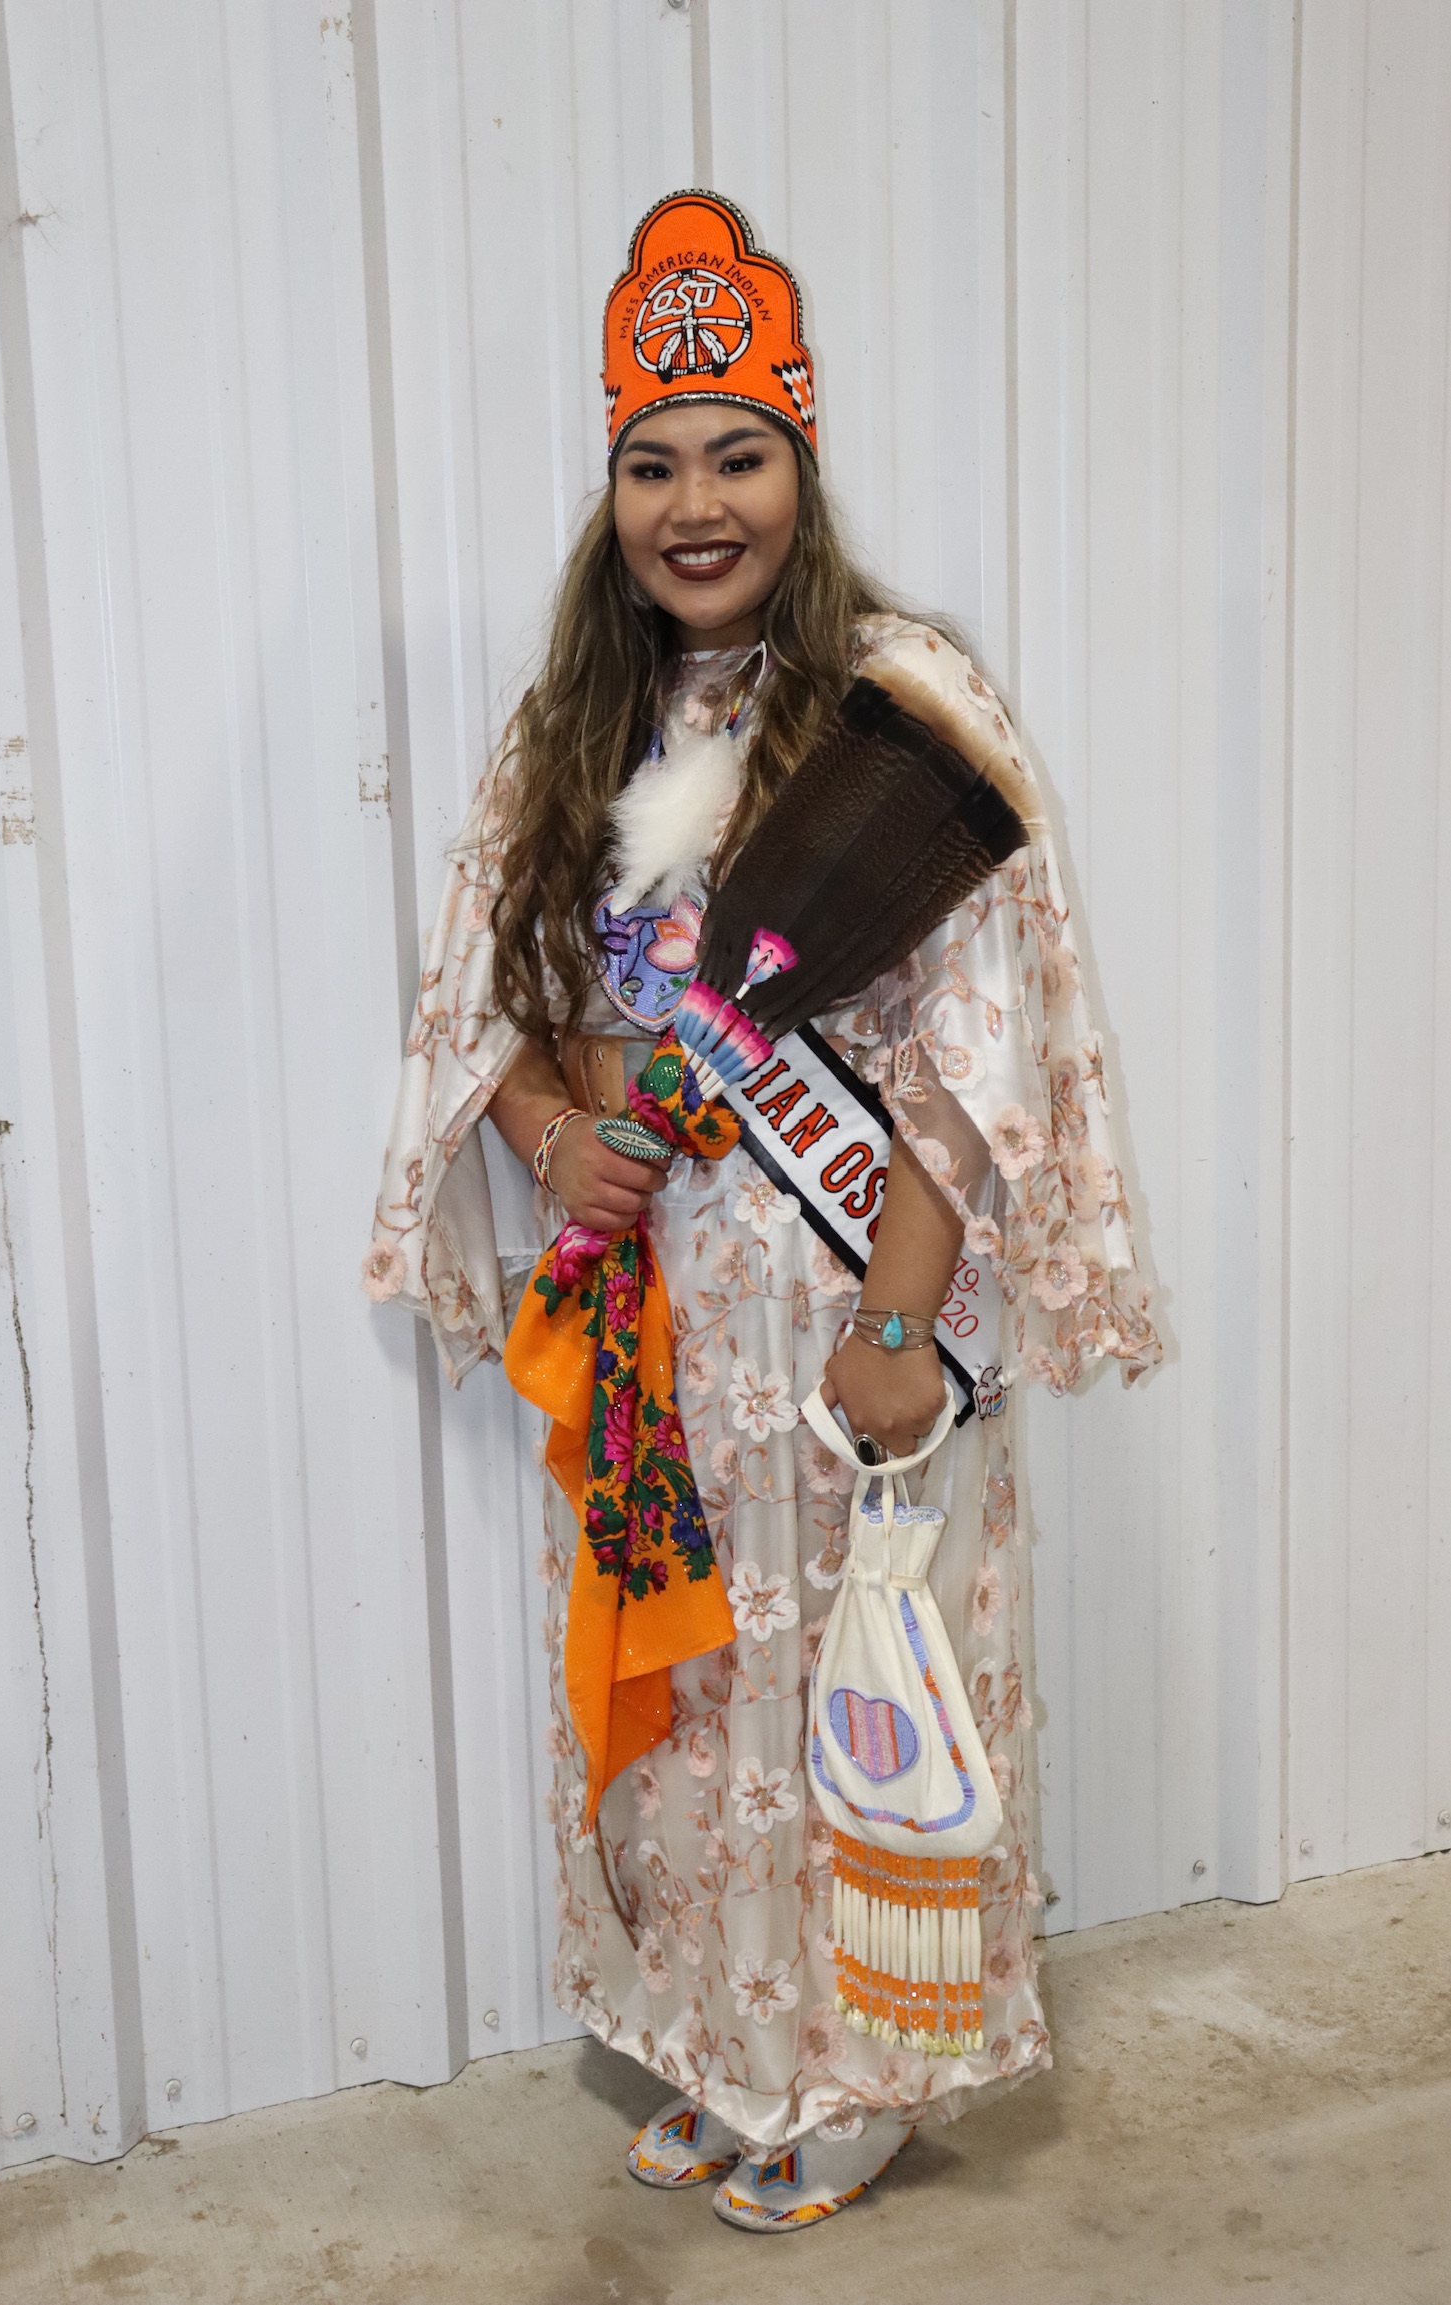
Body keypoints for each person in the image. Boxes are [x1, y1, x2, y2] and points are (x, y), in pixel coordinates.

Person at [364, 190, 1160, 2233]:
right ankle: (728, 2037)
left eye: (737, 455)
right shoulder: (572, 733)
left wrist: (893, 1329)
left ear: (800, 470)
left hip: (843, 1304)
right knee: (708, 1688)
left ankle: (872, 2073)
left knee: (864, 1689)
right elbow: (487, 1006)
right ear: (608, 488)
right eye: (653, 462)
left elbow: (971, 1065)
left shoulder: (900, 702)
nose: (693, 503)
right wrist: (549, 1134)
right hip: (654, 1321)